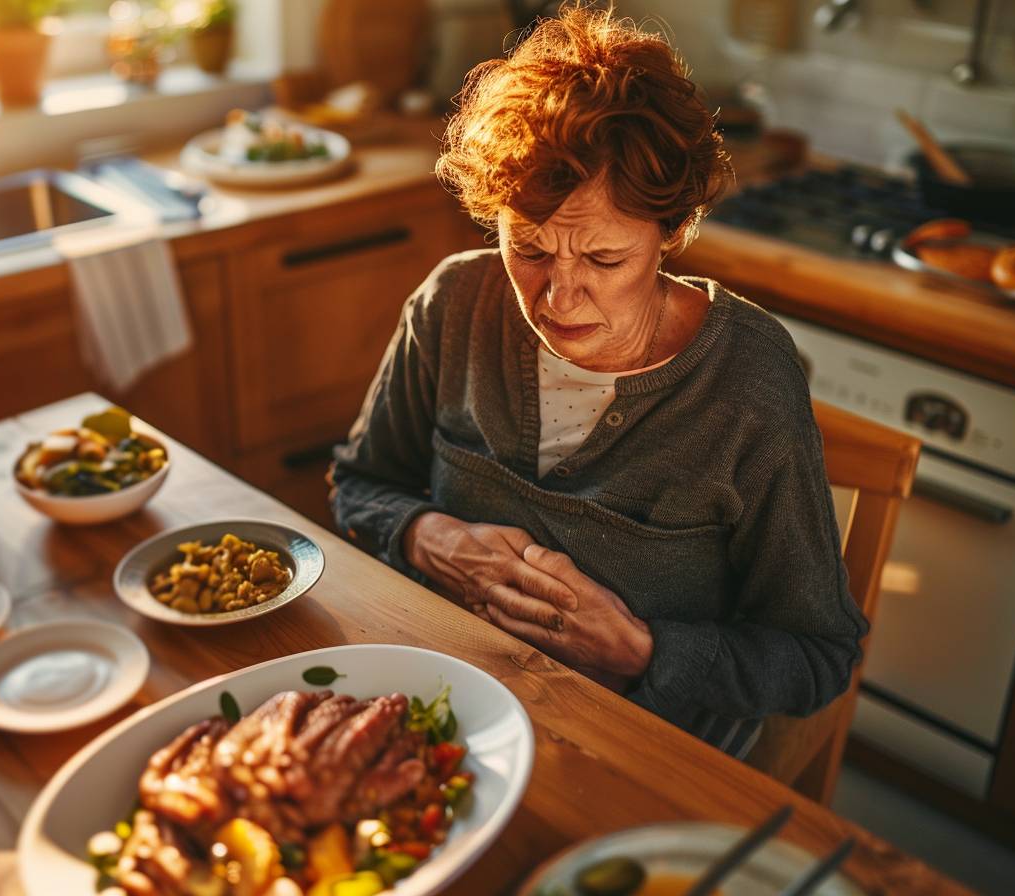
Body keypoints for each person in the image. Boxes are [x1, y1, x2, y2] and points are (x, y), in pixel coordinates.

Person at [327, 8, 867, 757]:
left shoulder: (748, 384)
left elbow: (817, 656)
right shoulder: (455, 303)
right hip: (447, 708)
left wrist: (643, 651)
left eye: (604, 261)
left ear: (671, 232)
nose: (557, 298)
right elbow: (359, 486)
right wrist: (429, 537)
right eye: (530, 250)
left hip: (643, 748)